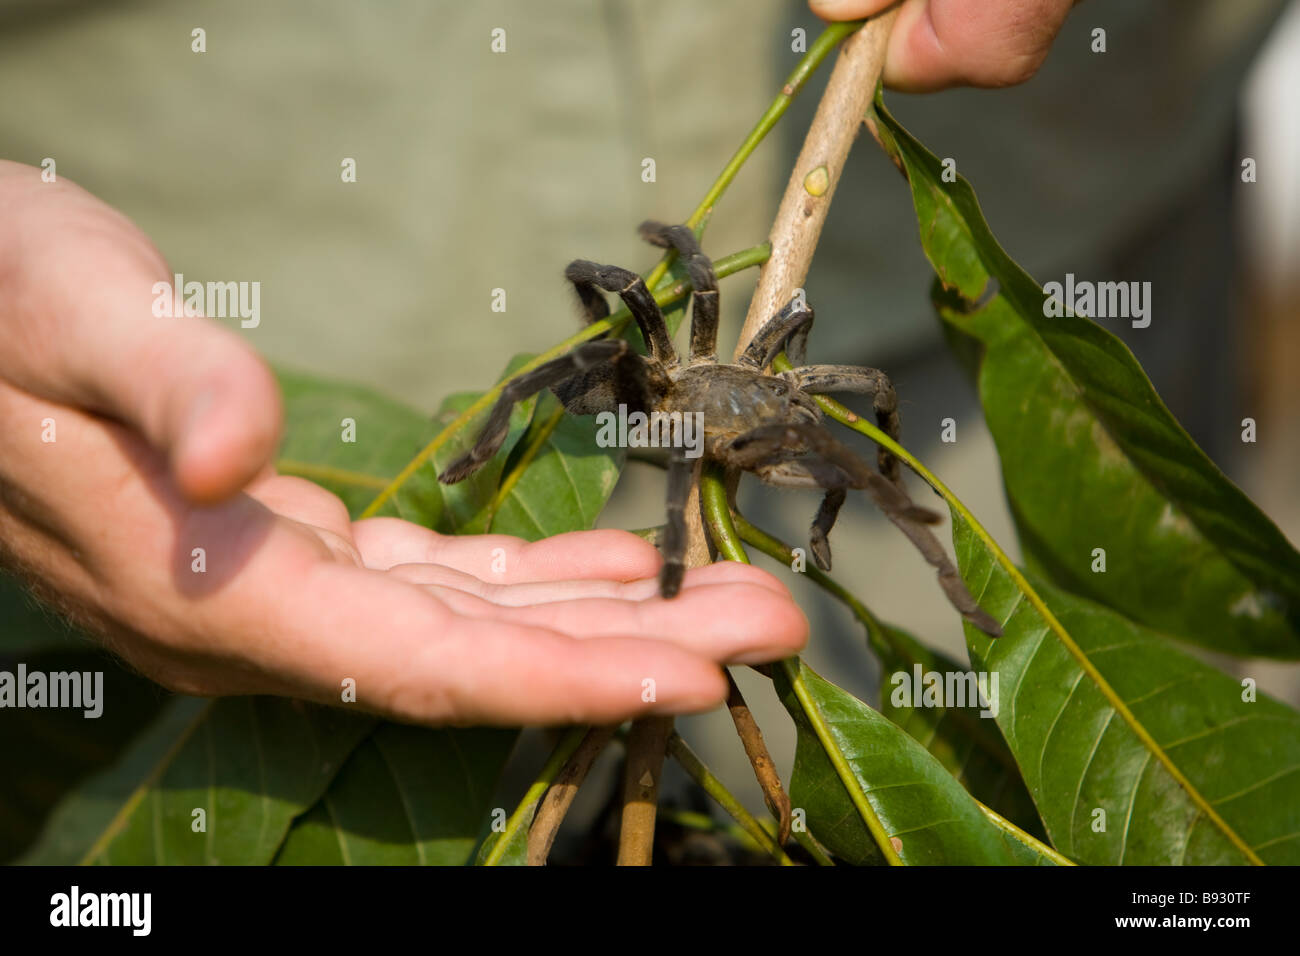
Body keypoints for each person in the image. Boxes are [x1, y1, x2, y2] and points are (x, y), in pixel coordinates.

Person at [0, 1, 1074, 726]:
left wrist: (829, 508)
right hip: (334, 309)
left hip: (1057, 208)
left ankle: (956, 599)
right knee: (637, 320)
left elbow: (871, 397)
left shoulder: (787, 400)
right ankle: (477, 469)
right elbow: (668, 282)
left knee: (874, 446)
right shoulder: (663, 371)